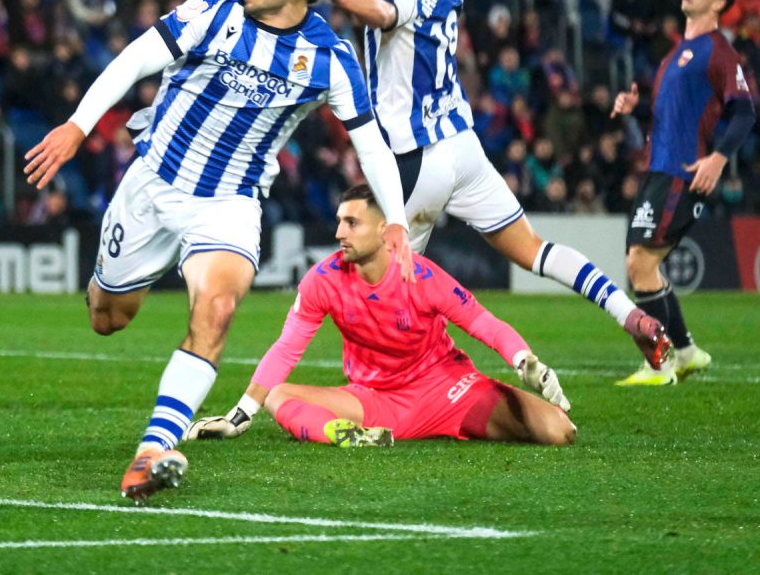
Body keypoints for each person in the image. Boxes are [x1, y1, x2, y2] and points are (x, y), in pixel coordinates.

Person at [24, 0, 412, 503]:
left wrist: (400, 224)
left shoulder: (330, 58)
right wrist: (79, 126)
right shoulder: (218, 9)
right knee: (108, 317)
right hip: (153, 184)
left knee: (220, 307)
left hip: (228, 204)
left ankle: (152, 451)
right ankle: (113, 290)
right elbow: (135, 58)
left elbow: (372, 145)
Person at [329, 0, 669, 371]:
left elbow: (381, 14)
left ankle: (390, 382)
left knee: (382, 278)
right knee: (533, 248)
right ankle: (628, 315)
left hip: (413, 160)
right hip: (462, 149)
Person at [188, 185, 576, 448]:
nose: (340, 232)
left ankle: (356, 432)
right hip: (375, 404)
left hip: (447, 391)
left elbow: (481, 322)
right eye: (340, 221)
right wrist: (240, 415)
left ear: (382, 228)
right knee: (278, 396)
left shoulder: (420, 274)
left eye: (351, 223)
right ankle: (349, 435)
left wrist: (523, 358)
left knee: (560, 431)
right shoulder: (323, 280)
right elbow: (288, 348)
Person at [610, 0, 755, 386]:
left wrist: (718, 159)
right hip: (660, 168)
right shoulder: (676, 53)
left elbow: (744, 111)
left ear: (720, 5)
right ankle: (687, 352)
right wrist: (635, 107)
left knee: (640, 263)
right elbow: (671, 114)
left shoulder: (719, 51)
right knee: (645, 265)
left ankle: (661, 364)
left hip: (683, 172)